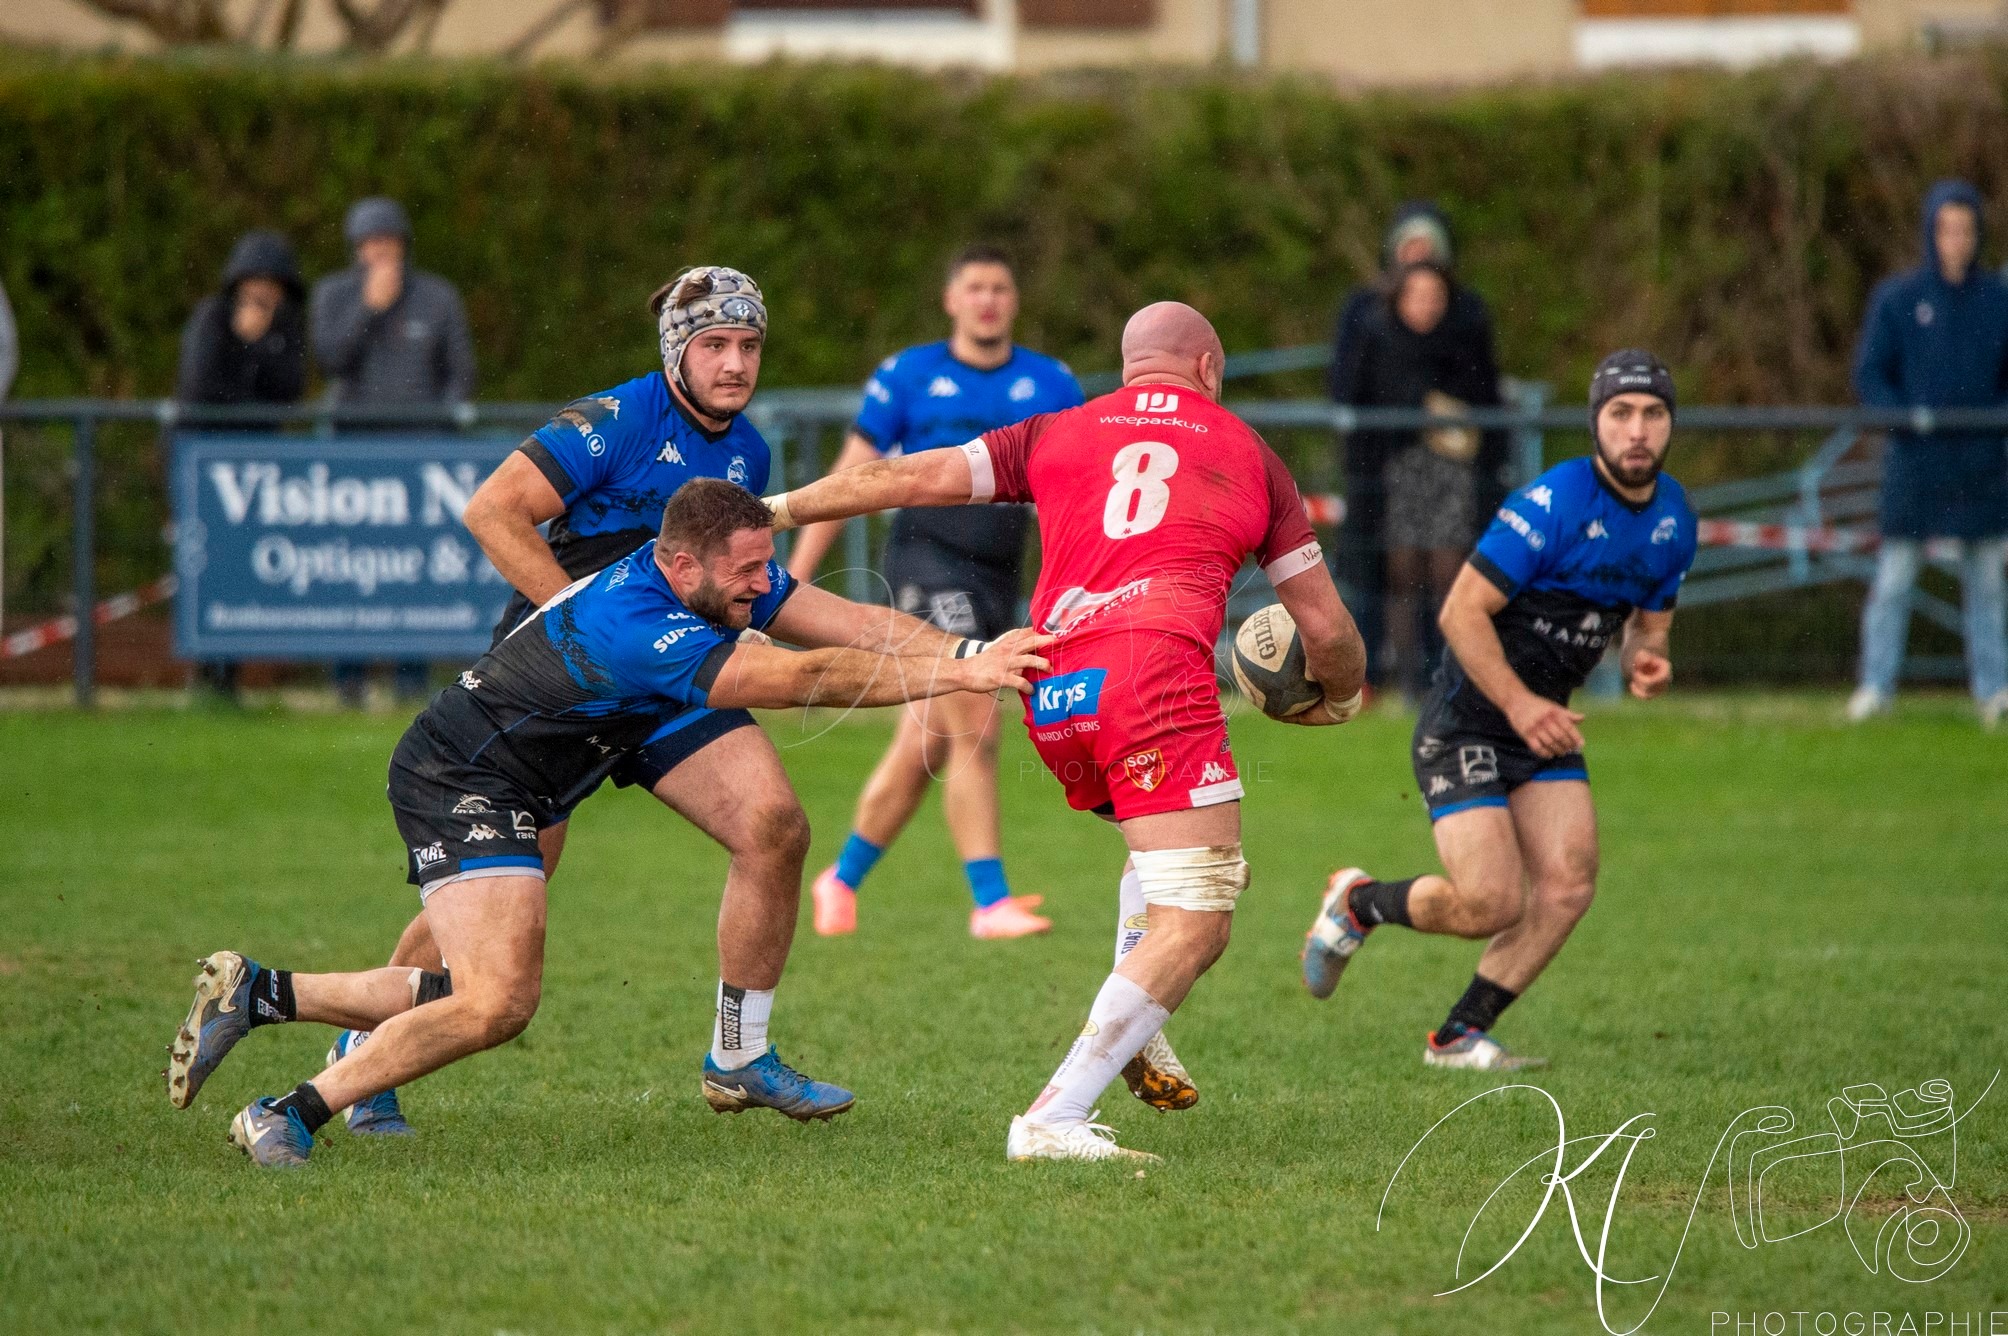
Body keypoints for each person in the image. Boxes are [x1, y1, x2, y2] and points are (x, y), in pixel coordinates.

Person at [166, 479, 1050, 1167]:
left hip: (524, 781)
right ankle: (285, 1114)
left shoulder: (712, 579)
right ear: (681, 566)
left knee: (471, 994)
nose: (763, 585)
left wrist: (973, 650)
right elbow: (805, 679)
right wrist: (963, 680)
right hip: (463, 777)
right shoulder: (640, 625)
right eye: (746, 573)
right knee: (496, 1000)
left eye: (763, 569)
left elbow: (850, 621)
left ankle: (257, 992)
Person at [765, 302, 1368, 1161]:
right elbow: (1329, 631)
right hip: (1154, 677)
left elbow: (904, 476)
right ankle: (1054, 1115)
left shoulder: (1056, 430)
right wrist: (1337, 697)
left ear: (1130, 367)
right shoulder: (1248, 453)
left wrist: (778, 509)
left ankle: (1138, 1027)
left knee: (1171, 856)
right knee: (1199, 917)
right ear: (1207, 369)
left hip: (1051, 687)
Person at [322, 265, 784, 1139]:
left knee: (772, 824)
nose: (734, 364)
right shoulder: (614, 420)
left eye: (749, 346)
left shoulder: (746, 453)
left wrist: (742, 625)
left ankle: (738, 1055)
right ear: (677, 352)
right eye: (715, 345)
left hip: (659, 679)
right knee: (505, 876)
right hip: (556, 677)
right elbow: (493, 511)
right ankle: (364, 1051)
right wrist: (581, 620)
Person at [1300, 350, 1697, 1071]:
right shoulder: (1555, 503)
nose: (1637, 430)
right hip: (1470, 721)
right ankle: (1361, 903)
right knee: (1490, 902)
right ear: (1595, 423)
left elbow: (1651, 623)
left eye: (1652, 414)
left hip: (1540, 725)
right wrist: (1519, 706)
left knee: (1570, 884)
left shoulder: (1674, 519)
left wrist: (1648, 656)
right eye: (1620, 413)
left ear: (1670, 425)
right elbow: (1460, 612)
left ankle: (1458, 1037)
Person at [787, 246, 1082, 940]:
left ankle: (842, 877)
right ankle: (990, 901)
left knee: (927, 740)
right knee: (975, 714)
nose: (987, 300)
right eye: (974, 287)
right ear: (951, 299)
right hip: (926, 562)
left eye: (1000, 288)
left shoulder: (1051, 382)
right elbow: (852, 477)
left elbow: (1075, 488)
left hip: (997, 574)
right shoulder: (909, 375)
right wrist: (793, 576)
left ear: (1014, 301)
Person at [1847, 179, 2008, 729]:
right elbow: (1871, 374)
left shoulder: (1998, 301)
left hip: (1984, 467)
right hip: (1916, 468)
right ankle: (1875, 687)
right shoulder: (1898, 300)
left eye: (1964, 229)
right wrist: (1904, 418)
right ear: (1929, 232)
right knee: (1893, 581)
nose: (1955, 240)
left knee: (1987, 584)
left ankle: (1994, 691)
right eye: (1945, 229)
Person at [1329, 202, 1504, 693]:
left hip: (1451, 471)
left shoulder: (1467, 321)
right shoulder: (1367, 321)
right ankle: (1399, 678)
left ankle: (1449, 674)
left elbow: (1485, 397)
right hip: (1392, 473)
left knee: (1449, 574)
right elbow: (1348, 390)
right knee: (1397, 575)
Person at [311, 196, 478, 705]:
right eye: (370, 243)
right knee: (352, 566)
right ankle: (348, 679)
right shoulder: (334, 295)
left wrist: (439, 429)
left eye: (389, 241)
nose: (381, 252)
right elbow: (329, 359)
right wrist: (370, 308)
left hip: (420, 461)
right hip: (353, 457)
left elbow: (461, 373)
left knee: (414, 566)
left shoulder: (437, 297)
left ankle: (411, 678)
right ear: (356, 249)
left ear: (404, 244)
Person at [175, 229, 309, 702]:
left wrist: (260, 345)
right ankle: (203, 675)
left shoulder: (287, 327)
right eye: (255, 284)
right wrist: (243, 341)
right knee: (206, 565)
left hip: (256, 471)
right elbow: (201, 387)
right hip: (207, 467)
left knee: (241, 568)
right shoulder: (211, 319)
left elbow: (290, 390)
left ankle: (228, 678)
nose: (264, 295)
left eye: (272, 286)